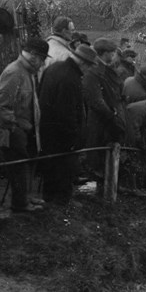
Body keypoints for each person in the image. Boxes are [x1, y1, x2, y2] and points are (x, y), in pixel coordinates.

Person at [0, 37, 49, 213]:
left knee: (26, 164)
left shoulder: (26, 72)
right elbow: (1, 106)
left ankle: (25, 198)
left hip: (23, 129)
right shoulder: (14, 72)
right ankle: (20, 204)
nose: (43, 63)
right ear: (33, 56)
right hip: (10, 131)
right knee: (18, 166)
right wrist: (18, 126)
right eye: (42, 59)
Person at [38, 44, 98, 206]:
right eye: (89, 66)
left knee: (52, 167)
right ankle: (61, 202)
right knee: (63, 168)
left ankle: (50, 198)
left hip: (47, 128)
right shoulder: (70, 79)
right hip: (61, 133)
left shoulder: (55, 68)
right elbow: (67, 112)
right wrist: (74, 137)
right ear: (83, 64)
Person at [83, 38, 126, 192]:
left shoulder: (105, 69)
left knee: (106, 153)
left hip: (109, 117)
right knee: (97, 153)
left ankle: (106, 188)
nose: (115, 55)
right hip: (101, 120)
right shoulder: (95, 71)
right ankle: (98, 189)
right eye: (113, 52)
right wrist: (111, 115)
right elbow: (96, 100)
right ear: (105, 53)